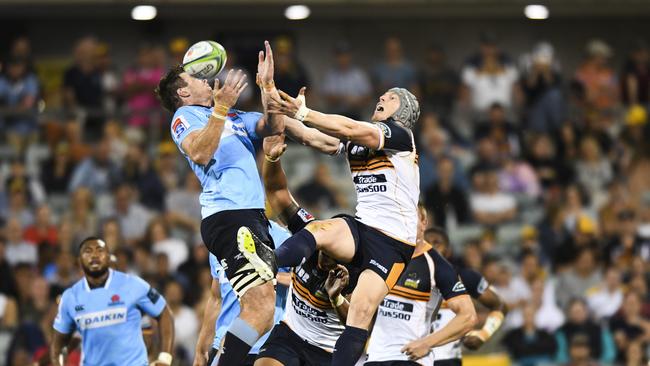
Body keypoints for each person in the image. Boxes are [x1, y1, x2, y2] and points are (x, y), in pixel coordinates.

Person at [245, 83, 421, 365]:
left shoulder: (401, 136)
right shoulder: (359, 143)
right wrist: (275, 109)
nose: (381, 97)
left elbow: (350, 129)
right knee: (318, 229)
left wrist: (304, 112)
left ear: (404, 110)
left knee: (360, 314)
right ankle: (266, 263)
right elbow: (312, 138)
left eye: (389, 98)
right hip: (363, 227)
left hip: (394, 241)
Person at [155, 41, 284, 365]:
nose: (207, 79)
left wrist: (267, 85)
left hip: (250, 215)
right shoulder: (185, 116)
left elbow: (274, 126)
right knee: (261, 307)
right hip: (228, 214)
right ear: (183, 93)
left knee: (262, 309)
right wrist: (220, 108)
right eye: (196, 78)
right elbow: (199, 151)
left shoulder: (238, 117)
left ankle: (221, 358)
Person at [253, 134, 354, 366]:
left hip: (326, 351)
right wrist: (271, 158)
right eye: (329, 250)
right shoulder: (311, 232)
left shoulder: (358, 269)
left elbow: (357, 325)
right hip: (289, 334)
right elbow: (278, 193)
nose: (332, 259)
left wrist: (336, 297)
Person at [365, 208, 476, 365]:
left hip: (411, 360)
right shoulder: (381, 257)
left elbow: (468, 316)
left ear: (424, 222)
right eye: (400, 217)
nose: (405, 222)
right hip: (374, 358)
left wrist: (427, 343)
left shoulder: (436, 265)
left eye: (411, 217)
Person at [50, 237, 175, 366]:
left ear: (109, 257)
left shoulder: (133, 284)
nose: (94, 255)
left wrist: (165, 358)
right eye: (88, 251)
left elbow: (164, 313)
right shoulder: (70, 297)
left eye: (100, 250)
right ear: (79, 261)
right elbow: (57, 345)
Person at [426, 226, 508, 365]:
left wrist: (484, 334)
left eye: (437, 243)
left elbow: (499, 305)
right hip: (410, 357)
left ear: (448, 251)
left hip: (447, 360)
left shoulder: (465, 277)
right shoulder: (401, 274)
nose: (431, 247)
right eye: (425, 242)